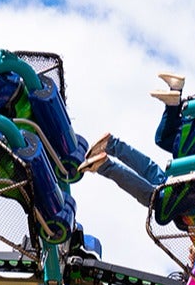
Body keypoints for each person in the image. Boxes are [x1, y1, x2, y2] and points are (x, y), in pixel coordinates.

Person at [80, 74, 186, 204]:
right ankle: (104, 165)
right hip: (191, 198)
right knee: (154, 199)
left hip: (188, 181)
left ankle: (110, 144)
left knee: (154, 172)